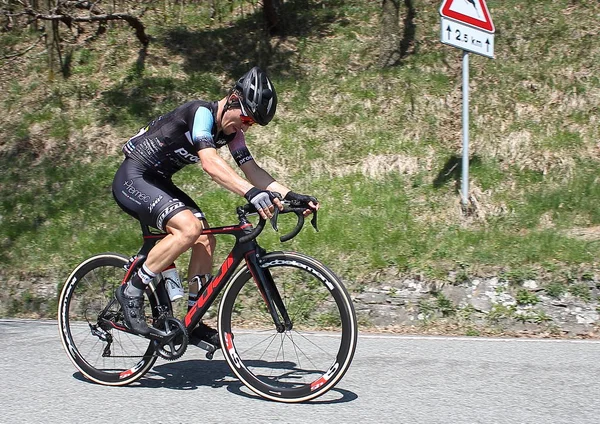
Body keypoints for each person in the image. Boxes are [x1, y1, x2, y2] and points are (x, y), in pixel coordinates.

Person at [111, 66, 319, 345]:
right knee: (189, 229)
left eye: (252, 124)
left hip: (158, 181)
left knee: (205, 240)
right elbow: (209, 162)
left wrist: (291, 195)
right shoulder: (201, 113)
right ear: (233, 98)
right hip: (133, 177)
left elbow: (252, 169)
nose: (245, 127)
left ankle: (193, 320)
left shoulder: (232, 134)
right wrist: (251, 194)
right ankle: (132, 290)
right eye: (246, 118)